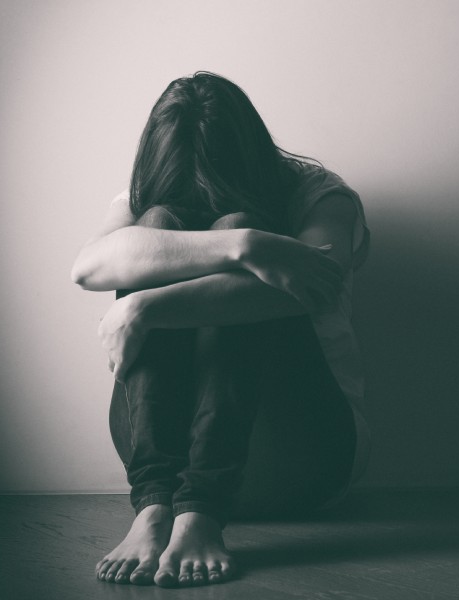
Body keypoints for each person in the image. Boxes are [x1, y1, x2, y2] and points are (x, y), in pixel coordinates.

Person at [70, 71, 370, 587]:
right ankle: (156, 510)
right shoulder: (142, 196)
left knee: (225, 228)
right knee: (157, 225)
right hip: (157, 471)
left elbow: (318, 282)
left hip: (299, 461)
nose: (200, 195)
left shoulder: (322, 198)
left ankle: (202, 508)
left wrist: (147, 307)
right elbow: (88, 268)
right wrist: (247, 247)